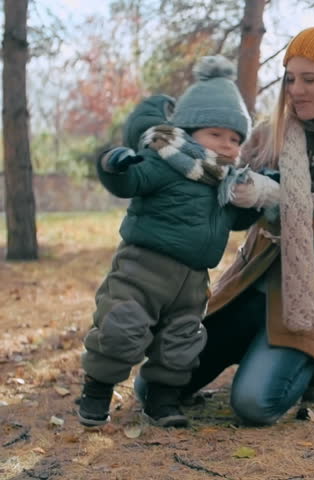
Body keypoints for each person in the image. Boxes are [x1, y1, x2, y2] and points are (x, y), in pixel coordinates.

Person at [135, 24, 314, 426]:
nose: (296, 90)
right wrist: (171, 150)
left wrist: (277, 200)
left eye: (310, 79)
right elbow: (219, 185)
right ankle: (256, 345)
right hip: (252, 287)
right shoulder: (269, 133)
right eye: (290, 78)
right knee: (152, 386)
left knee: (255, 405)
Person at [78, 55, 270, 428]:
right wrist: (113, 165)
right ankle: (96, 391)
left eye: (235, 139)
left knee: (181, 342)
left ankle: (163, 401)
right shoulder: (163, 162)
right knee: (122, 327)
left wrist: (260, 204)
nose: (228, 146)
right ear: (189, 131)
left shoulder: (225, 183)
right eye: (217, 135)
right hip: (142, 268)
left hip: (193, 281)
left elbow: (236, 220)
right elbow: (128, 182)